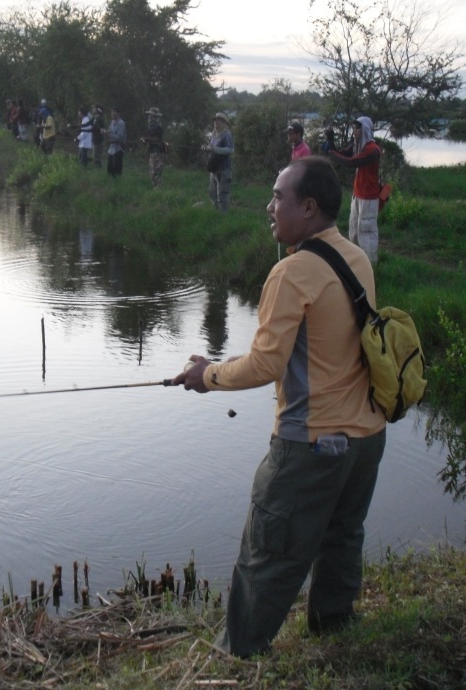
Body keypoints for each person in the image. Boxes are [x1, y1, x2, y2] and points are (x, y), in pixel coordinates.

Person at [173, 156, 387, 658]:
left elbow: (266, 365)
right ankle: (334, 633)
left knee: (267, 554)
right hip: (366, 441)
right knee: (341, 537)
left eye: (278, 197)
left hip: (312, 446)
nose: (269, 207)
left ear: (308, 207)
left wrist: (206, 375)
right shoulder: (355, 257)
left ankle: (239, 656)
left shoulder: (291, 272)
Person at [327, 116, 382, 263]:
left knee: (366, 232)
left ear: (365, 129)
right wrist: (330, 140)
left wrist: (331, 153)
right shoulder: (358, 146)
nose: (355, 131)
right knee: (354, 230)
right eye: (354, 128)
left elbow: (350, 162)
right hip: (357, 195)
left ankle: (370, 264)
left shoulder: (372, 150)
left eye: (357, 128)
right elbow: (342, 153)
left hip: (369, 198)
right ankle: (357, 262)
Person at [204, 112, 234, 212]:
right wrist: (206, 148)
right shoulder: (213, 135)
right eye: (215, 120)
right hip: (214, 169)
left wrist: (215, 149)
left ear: (224, 123)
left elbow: (230, 150)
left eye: (219, 120)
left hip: (224, 170)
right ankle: (216, 214)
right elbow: (211, 148)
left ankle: (223, 217)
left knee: (222, 195)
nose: (216, 122)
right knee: (212, 193)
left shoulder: (227, 135)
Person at [141, 107, 165, 188]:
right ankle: (155, 188)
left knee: (156, 172)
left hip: (157, 151)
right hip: (152, 151)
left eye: (152, 115)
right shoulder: (151, 126)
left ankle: (158, 189)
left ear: (155, 117)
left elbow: (158, 139)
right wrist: (144, 139)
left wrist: (147, 139)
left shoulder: (158, 126)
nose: (150, 117)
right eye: (149, 115)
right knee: (152, 172)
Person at [106, 106, 127, 178]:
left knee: (116, 169)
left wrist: (109, 134)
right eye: (111, 112)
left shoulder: (121, 123)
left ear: (118, 113)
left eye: (114, 112)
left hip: (118, 148)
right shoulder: (112, 122)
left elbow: (119, 137)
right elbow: (109, 131)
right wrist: (105, 132)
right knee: (110, 169)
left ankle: (118, 184)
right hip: (111, 148)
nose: (112, 114)